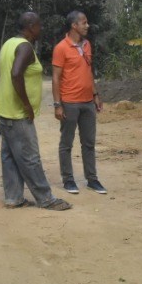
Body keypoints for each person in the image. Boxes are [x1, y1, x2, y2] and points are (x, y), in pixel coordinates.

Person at [0, 12, 72, 211]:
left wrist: (1, 96)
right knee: (30, 157)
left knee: (9, 156)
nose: (41, 29)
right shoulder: (25, 47)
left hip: (5, 112)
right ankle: (46, 198)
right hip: (18, 115)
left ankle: (13, 197)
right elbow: (16, 73)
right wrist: (25, 104)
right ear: (31, 26)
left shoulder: (9, 43)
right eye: (39, 25)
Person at [52, 11, 106, 194]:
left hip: (87, 103)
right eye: (84, 22)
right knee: (66, 143)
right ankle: (68, 180)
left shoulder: (87, 45)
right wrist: (57, 104)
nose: (87, 25)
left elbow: (89, 72)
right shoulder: (61, 48)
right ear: (74, 26)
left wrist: (95, 94)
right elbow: (56, 78)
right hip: (69, 103)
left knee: (89, 143)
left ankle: (92, 179)